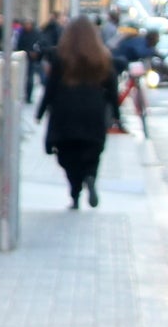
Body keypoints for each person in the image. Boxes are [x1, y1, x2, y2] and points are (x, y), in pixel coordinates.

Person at [38, 17, 115, 210]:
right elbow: (112, 87)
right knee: (92, 151)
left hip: (65, 111)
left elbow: (51, 87)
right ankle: (89, 175)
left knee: (67, 155)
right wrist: (116, 113)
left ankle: (75, 193)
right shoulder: (102, 56)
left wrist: (40, 111)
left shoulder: (61, 56)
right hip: (93, 111)